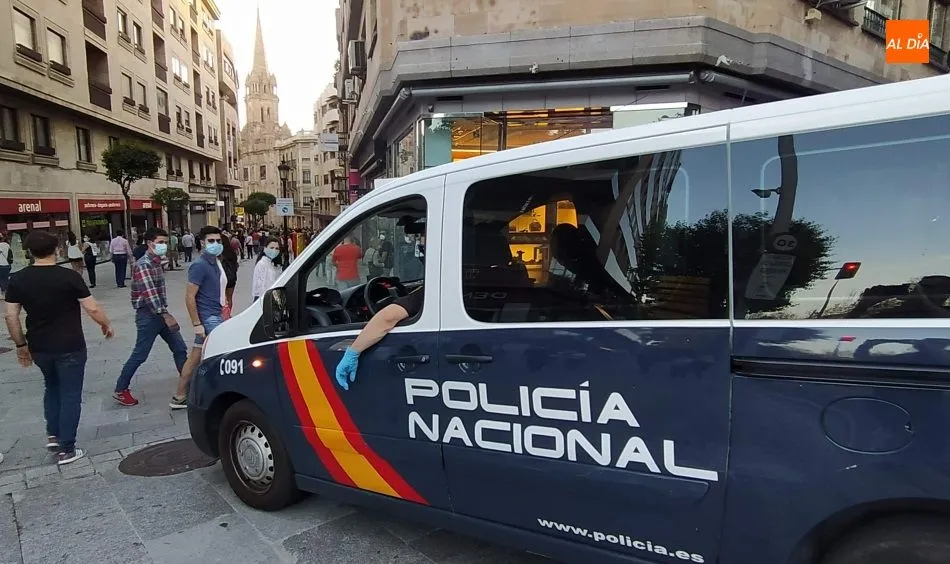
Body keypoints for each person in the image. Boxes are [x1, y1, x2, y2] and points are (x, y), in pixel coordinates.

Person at [4, 230, 114, 465]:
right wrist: (105, 324)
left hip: (39, 345)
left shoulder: (18, 279)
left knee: (52, 387)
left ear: (29, 252)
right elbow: (92, 308)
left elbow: (11, 316)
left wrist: (21, 344)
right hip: (70, 344)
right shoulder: (69, 277)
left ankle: (53, 435)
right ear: (56, 250)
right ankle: (67, 448)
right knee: (70, 394)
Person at [334, 240, 425, 390]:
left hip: (342, 277)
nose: (421, 245)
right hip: (353, 276)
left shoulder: (432, 289)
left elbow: (389, 318)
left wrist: (352, 352)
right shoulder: (460, 282)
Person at [114, 229, 188, 407]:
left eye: (165, 242)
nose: (164, 246)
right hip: (149, 315)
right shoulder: (144, 264)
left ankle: (187, 384)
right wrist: (165, 315)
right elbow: (150, 293)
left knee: (180, 348)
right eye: (160, 242)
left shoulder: (156, 262)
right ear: (149, 243)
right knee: (140, 354)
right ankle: (120, 389)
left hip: (159, 313)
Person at [171, 226, 226, 409]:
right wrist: (197, 323)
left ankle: (179, 395)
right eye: (211, 241)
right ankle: (210, 393)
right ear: (202, 243)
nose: (216, 244)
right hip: (208, 318)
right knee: (220, 355)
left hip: (214, 314)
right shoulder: (199, 265)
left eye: (218, 241)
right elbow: (189, 296)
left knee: (195, 356)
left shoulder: (214, 262)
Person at [252, 237, 281, 302]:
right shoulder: (262, 264)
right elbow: (262, 287)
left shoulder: (270, 263)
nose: (274, 250)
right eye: (271, 248)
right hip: (262, 299)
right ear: (265, 248)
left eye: (276, 248)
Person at [220, 230, 239, 310]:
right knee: (229, 298)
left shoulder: (220, 253)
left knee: (222, 297)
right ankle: (228, 313)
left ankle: (223, 313)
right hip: (231, 278)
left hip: (222, 278)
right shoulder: (232, 252)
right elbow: (236, 264)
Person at [0, 233, 11, 299]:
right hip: (7, 264)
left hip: (1, 264)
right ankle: (6, 292)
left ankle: (3, 293)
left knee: (2, 279)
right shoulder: (7, 245)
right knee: (5, 278)